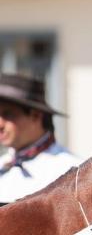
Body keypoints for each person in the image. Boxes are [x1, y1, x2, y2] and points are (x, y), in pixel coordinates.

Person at [0, 73, 80, 206]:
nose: (0, 124)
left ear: (36, 115)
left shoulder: (71, 171)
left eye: (8, 114)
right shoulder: (3, 164)